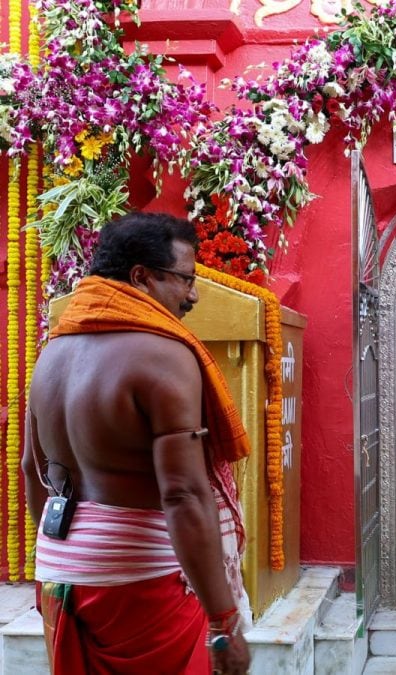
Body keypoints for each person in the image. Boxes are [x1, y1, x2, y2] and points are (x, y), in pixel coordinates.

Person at [22, 212, 252, 674]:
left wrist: (76, 554)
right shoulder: (165, 355)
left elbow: (32, 468)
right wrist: (223, 620)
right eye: (185, 279)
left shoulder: (53, 351)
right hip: (140, 582)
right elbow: (184, 494)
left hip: (58, 572)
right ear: (141, 277)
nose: (193, 294)